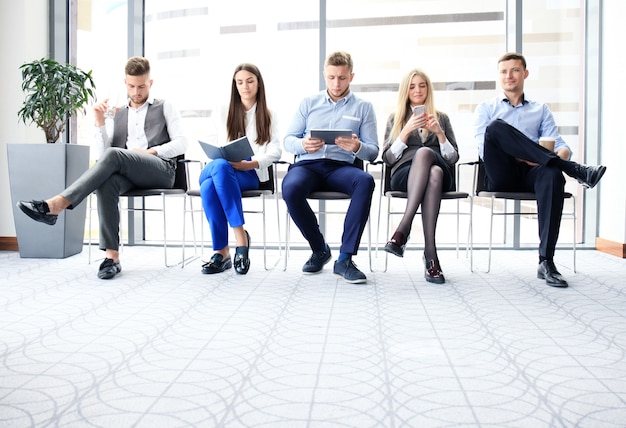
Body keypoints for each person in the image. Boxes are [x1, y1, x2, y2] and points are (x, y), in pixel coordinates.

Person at [17, 56, 189, 280]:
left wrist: (150, 152)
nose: (136, 92)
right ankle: (112, 257)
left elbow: (182, 142)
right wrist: (99, 121)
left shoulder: (165, 106)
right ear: (125, 83)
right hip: (128, 172)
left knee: (114, 156)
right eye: (131, 86)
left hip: (161, 171)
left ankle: (57, 204)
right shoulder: (117, 112)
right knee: (106, 180)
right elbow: (103, 155)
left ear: (150, 83)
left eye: (141, 86)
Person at [473, 52, 606, 288]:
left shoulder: (540, 109)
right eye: (504, 71)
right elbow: (483, 149)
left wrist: (556, 158)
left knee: (553, 173)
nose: (509, 76)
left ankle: (546, 261)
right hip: (501, 173)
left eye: (515, 70)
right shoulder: (486, 108)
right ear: (499, 76)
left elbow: (561, 146)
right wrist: (527, 155)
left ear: (525, 74)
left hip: (533, 174)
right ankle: (575, 171)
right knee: (495, 128)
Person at [282, 51, 378, 284]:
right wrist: (302, 144)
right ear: (325, 75)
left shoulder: (363, 107)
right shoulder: (308, 103)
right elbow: (288, 140)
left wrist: (356, 146)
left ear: (351, 76)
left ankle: (344, 259)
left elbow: (373, 151)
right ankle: (319, 249)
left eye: (342, 78)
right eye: (332, 77)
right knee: (290, 189)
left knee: (365, 181)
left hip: (340, 168)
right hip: (307, 165)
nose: (337, 83)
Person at [198, 63, 281, 275]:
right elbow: (208, 141)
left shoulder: (268, 115)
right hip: (219, 167)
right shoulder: (222, 110)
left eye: (250, 81)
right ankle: (240, 238)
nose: (245, 86)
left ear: (259, 84)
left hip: (248, 172)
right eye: (240, 82)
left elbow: (275, 151)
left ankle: (221, 252)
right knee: (220, 166)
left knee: (208, 188)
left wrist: (250, 164)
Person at [382, 69, 460, 284]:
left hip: (441, 173)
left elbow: (452, 158)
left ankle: (403, 229)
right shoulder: (395, 119)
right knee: (427, 164)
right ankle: (431, 255)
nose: (418, 90)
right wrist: (405, 132)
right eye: (412, 86)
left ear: (428, 89)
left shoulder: (441, 118)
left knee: (433, 165)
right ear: (406, 91)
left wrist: (440, 134)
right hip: (405, 175)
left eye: (422, 85)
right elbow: (388, 159)